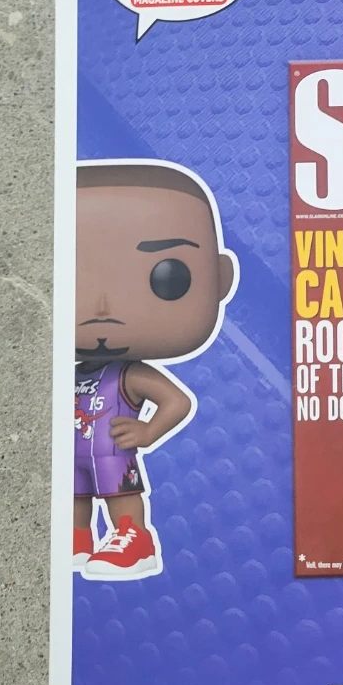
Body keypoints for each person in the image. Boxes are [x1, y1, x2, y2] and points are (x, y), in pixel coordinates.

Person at [74, 161, 237, 579]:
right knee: (75, 494)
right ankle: (77, 537)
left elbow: (177, 401)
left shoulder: (128, 375)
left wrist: (147, 432)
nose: (102, 309)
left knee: (118, 492)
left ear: (220, 278)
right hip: (75, 451)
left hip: (113, 451)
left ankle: (134, 537)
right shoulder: (71, 375)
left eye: (169, 277)